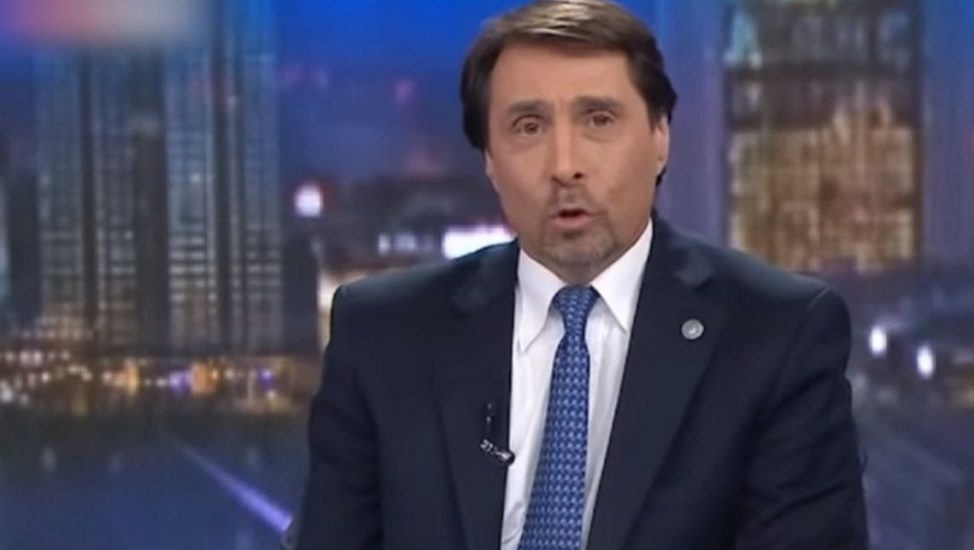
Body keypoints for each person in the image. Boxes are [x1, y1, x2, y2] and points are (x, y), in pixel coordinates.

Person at [293, 1, 868, 548]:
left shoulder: (775, 336)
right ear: (489, 158)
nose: (564, 165)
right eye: (528, 127)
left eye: (599, 120)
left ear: (660, 138)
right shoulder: (384, 334)